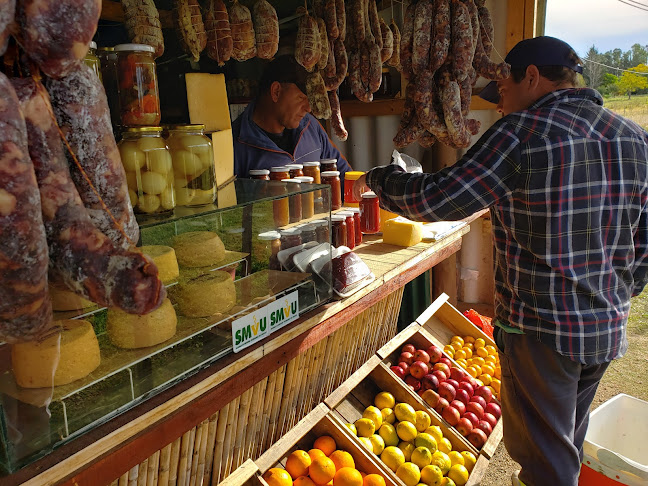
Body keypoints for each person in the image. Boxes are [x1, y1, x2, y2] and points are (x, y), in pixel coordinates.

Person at [354, 36, 648, 486]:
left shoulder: (524, 133)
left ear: (531, 77)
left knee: (549, 465)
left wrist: (381, 179)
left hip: (542, 333)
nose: (500, 105)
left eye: (503, 90)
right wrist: (623, 290)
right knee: (564, 440)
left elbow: (440, 198)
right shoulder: (633, 138)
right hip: (605, 328)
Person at [232, 55, 352, 179]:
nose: (308, 108)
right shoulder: (236, 144)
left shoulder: (311, 127)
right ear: (276, 91)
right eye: (301, 98)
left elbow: (345, 177)